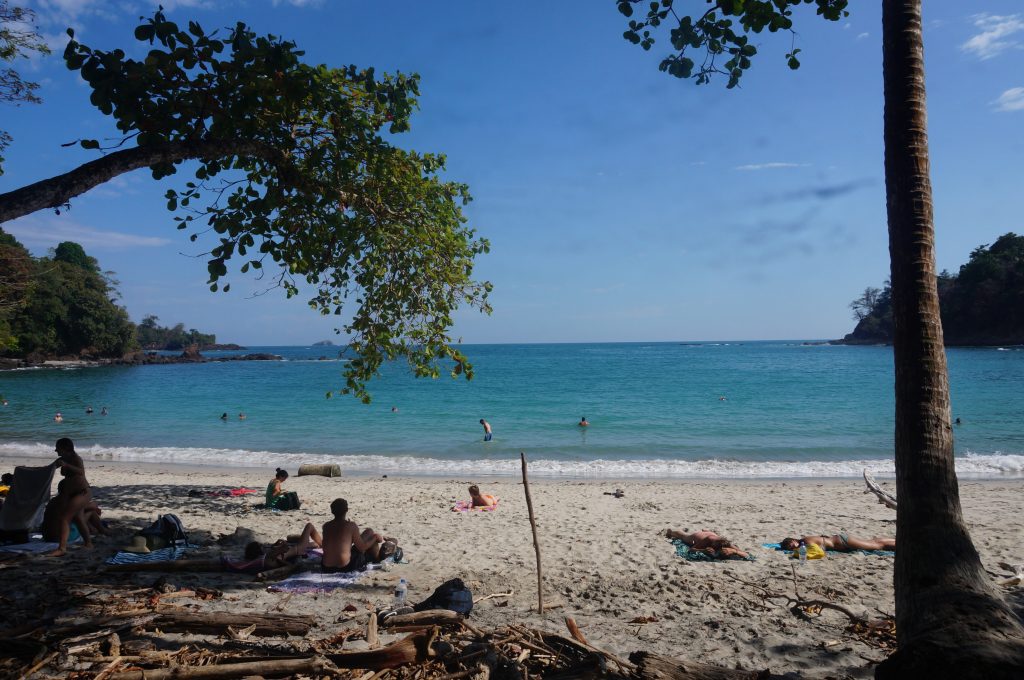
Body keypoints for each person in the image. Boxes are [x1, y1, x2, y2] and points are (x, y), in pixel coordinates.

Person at [47, 438, 95, 556]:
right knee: (78, 518)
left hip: (82, 492)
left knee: (65, 518)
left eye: (58, 448)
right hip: (72, 493)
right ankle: (89, 543)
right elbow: (49, 468)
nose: (56, 450)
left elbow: (81, 472)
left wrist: (66, 465)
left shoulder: (76, 459)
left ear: (65, 448)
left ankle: (62, 548)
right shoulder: (62, 459)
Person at [321, 498, 383, 572]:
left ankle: (376, 558)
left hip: (326, 567)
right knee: (371, 537)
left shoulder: (326, 526)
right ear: (346, 510)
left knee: (369, 531)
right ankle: (377, 560)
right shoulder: (351, 526)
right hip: (346, 567)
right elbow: (362, 548)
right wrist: (375, 537)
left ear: (332, 511)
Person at [665, 528, 749, 559]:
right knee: (683, 536)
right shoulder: (709, 540)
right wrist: (703, 550)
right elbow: (692, 549)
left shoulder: (727, 544)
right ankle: (671, 532)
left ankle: (706, 531)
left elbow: (746, 554)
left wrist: (735, 551)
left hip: (712, 534)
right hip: (697, 537)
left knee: (710, 534)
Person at [779, 533, 896, 552]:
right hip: (841, 540)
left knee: (877, 546)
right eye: (790, 548)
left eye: (791, 545)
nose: (792, 548)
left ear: (794, 540)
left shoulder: (804, 542)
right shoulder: (804, 540)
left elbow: (816, 550)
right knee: (874, 542)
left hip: (843, 542)